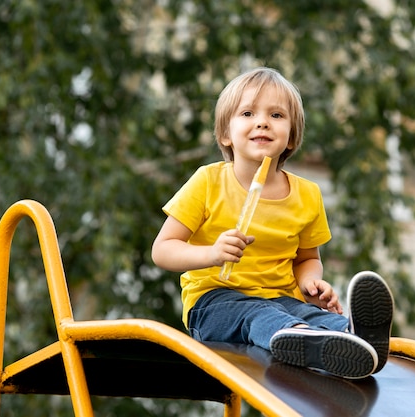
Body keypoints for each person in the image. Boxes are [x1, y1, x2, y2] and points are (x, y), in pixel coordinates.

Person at [151, 67, 394, 379]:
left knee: (311, 316)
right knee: (258, 315)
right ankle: (304, 339)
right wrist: (212, 253)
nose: (262, 121)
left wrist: (310, 285)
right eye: (248, 112)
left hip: (284, 300)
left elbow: (307, 258)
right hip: (213, 303)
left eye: (277, 115)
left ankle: (355, 337)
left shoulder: (307, 195)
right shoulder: (208, 181)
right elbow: (163, 250)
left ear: (291, 136)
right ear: (226, 132)